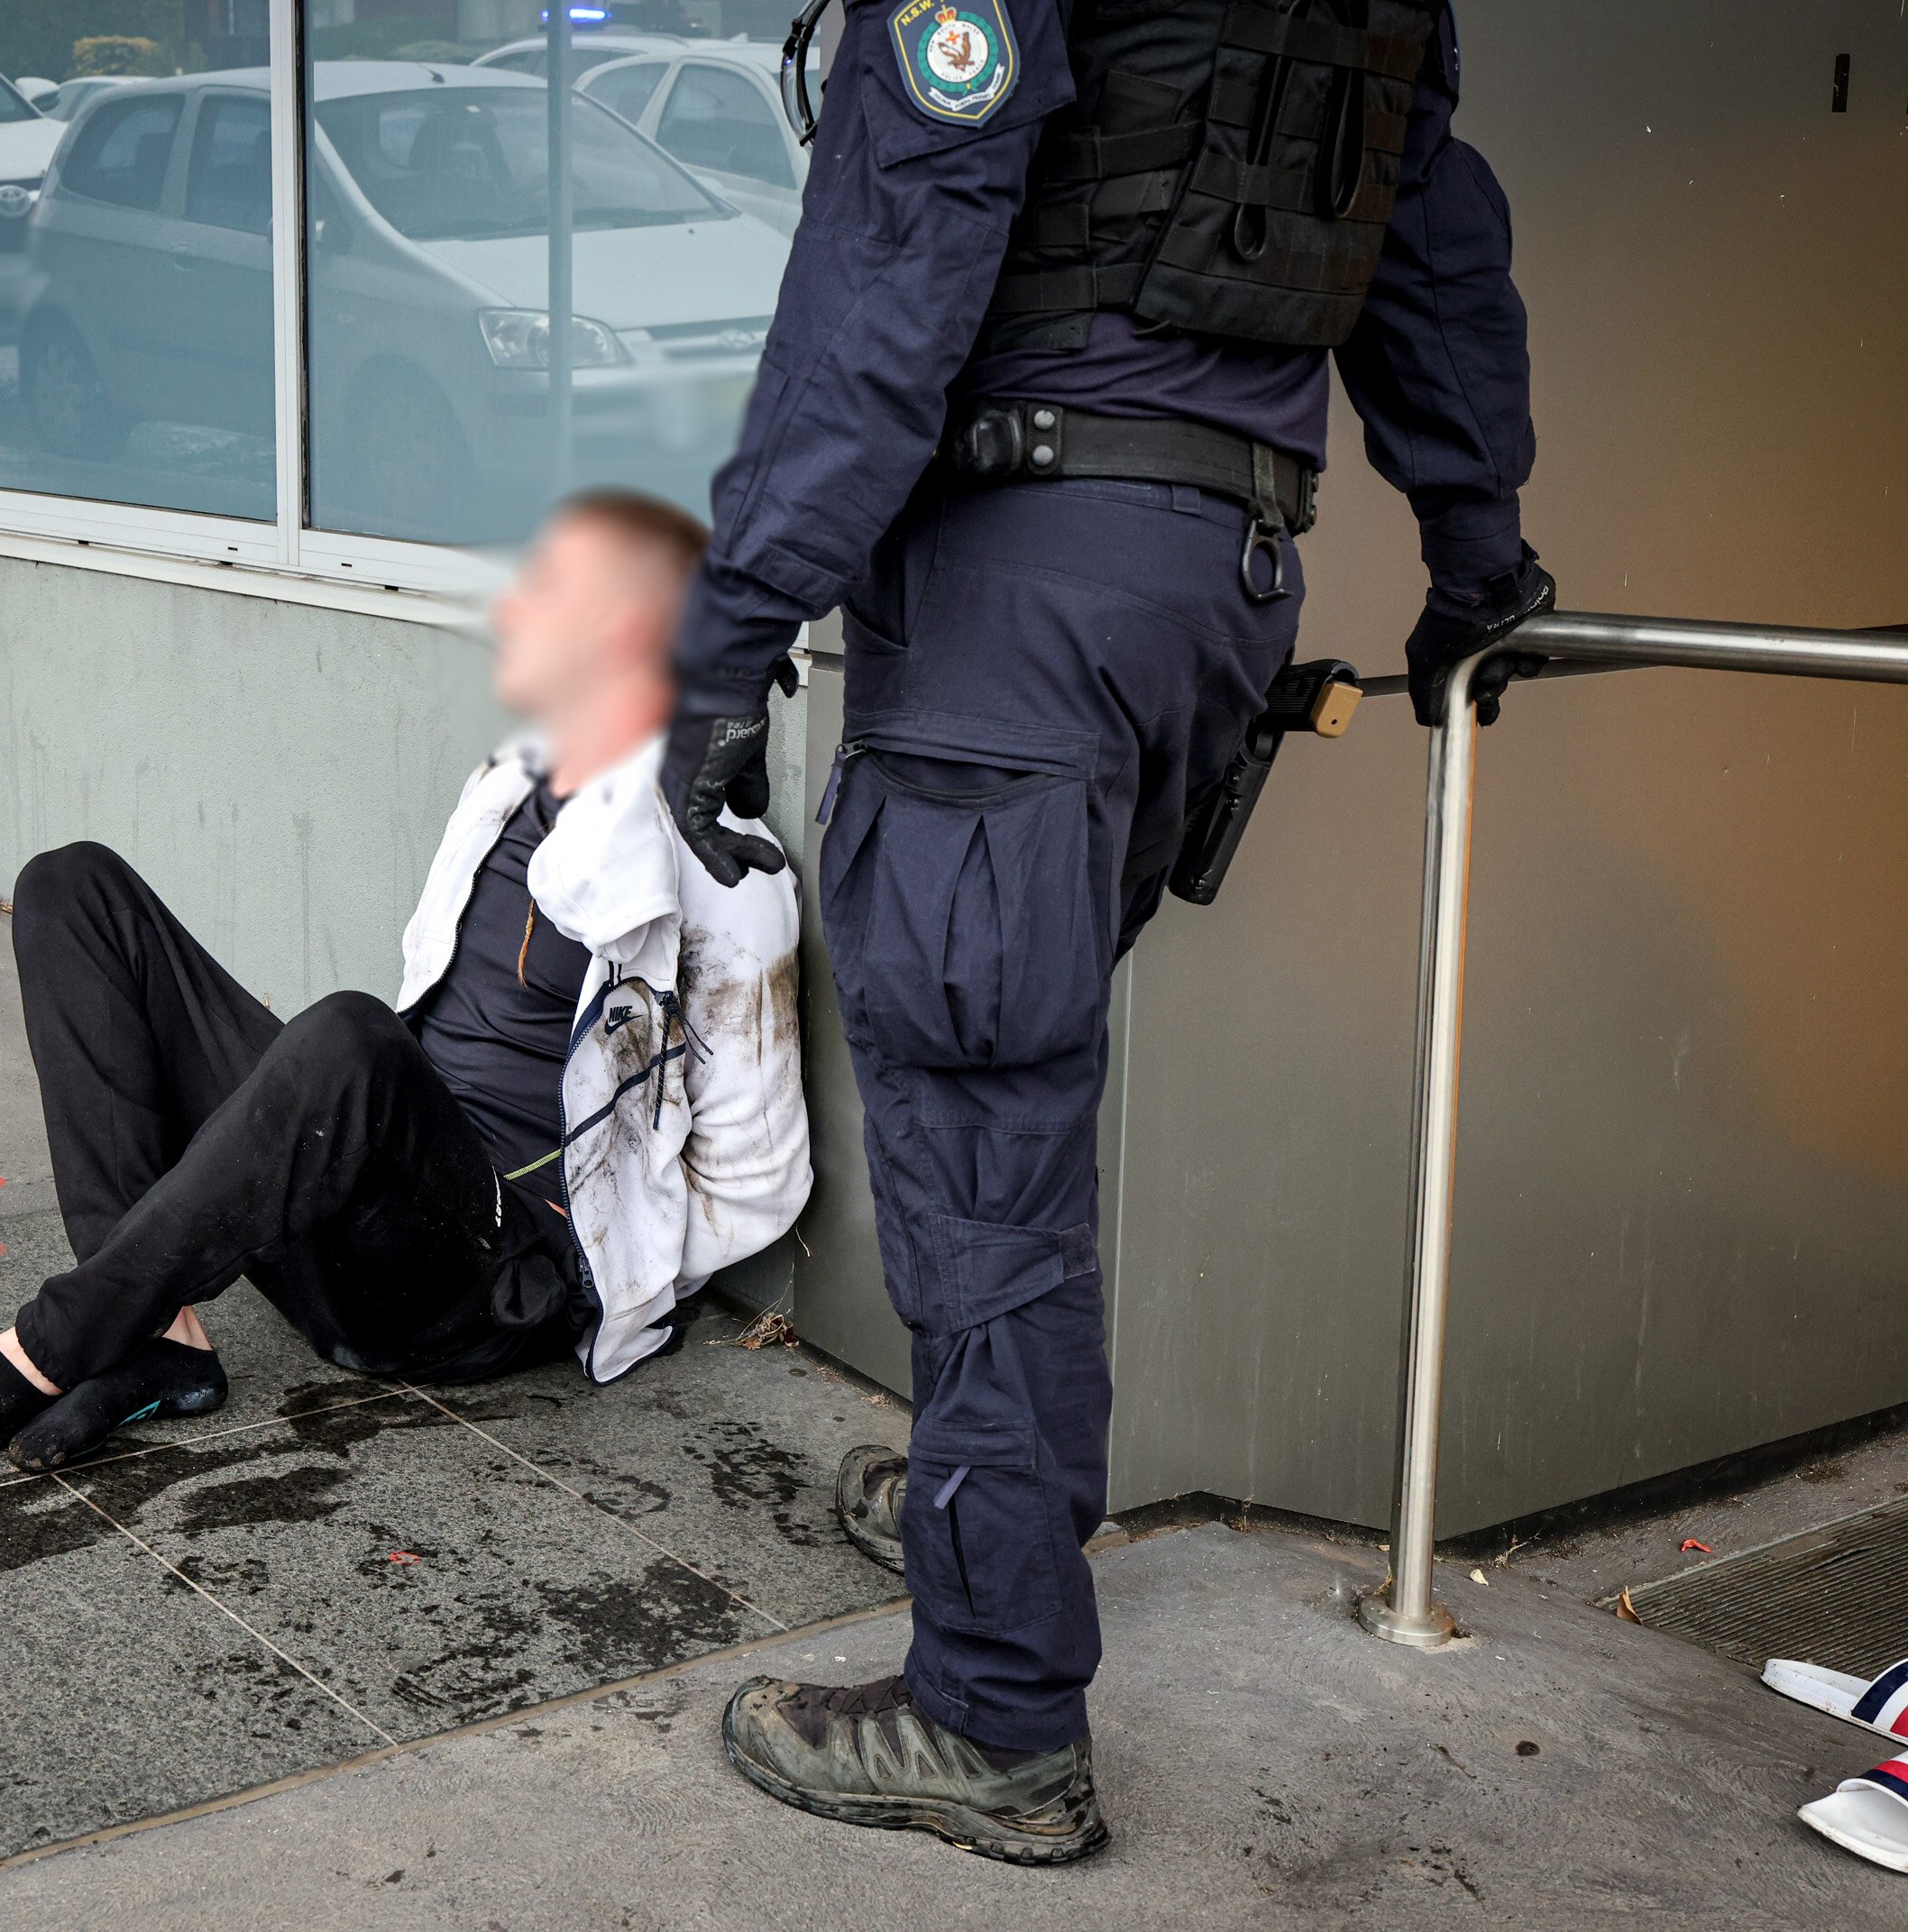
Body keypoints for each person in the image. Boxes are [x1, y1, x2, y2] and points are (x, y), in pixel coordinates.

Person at [661, 0, 1547, 1864]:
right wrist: (1480, 548)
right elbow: (1426, 233)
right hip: (1213, 597)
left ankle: (990, 1714)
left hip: (1019, 601)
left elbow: (889, 283)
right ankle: (1007, 1501)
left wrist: (732, 630)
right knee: (1020, 1104)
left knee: (985, 1151)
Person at [0, 492, 810, 1479]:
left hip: (491, 1278)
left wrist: (608, 1276)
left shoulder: (727, 872)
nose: (515, 609)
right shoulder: (515, 780)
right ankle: (153, 1339)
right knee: (73, 890)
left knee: (349, 1035)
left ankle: (48, 1348)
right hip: (376, 1224)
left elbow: (758, 1183)